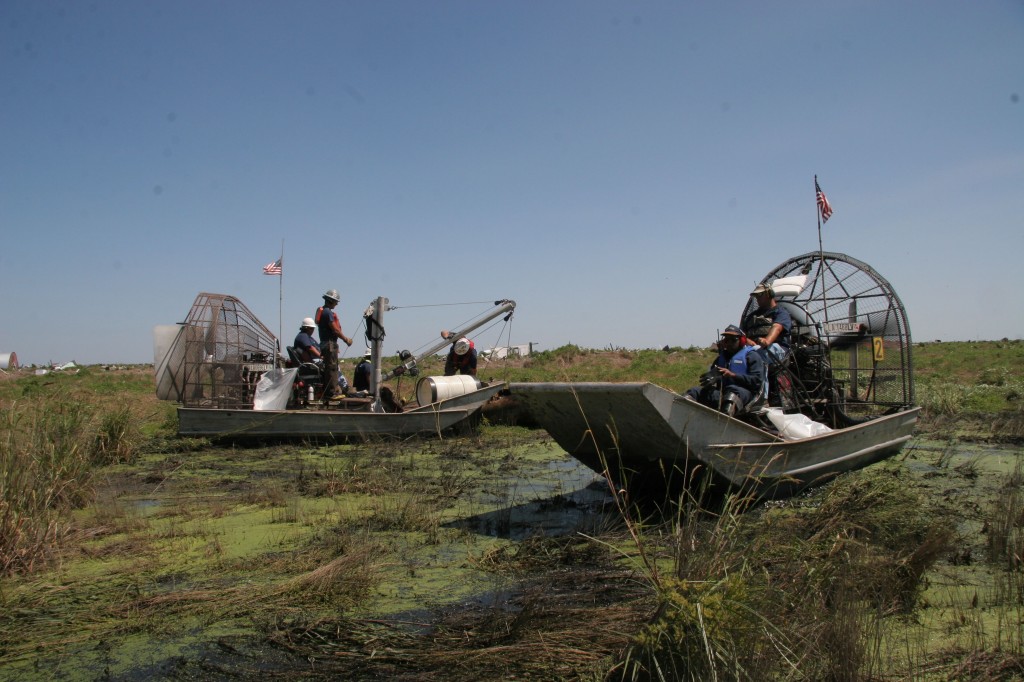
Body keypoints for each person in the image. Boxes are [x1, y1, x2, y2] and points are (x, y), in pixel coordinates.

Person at [685, 325, 766, 416]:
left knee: (732, 394)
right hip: (722, 394)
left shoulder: (752, 356)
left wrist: (733, 375)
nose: (729, 343)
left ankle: (724, 422)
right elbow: (713, 375)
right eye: (727, 340)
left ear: (741, 341)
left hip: (745, 395)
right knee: (694, 391)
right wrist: (711, 378)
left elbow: (757, 381)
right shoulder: (720, 359)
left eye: (733, 340)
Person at [315, 288, 353, 400]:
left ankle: (332, 391)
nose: (336, 304)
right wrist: (346, 339)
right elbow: (335, 330)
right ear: (331, 301)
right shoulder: (327, 313)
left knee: (332, 368)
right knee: (332, 369)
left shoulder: (324, 311)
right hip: (329, 344)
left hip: (326, 343)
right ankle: (331, 393)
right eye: (336, 302)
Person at [742, 283, 793, 365]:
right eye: (756, 296)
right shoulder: (752, 316)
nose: (757, 298)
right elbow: (742, 334)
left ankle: (760, 377)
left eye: (760, 295)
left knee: (755, 358)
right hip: (754, 349)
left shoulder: (780, 312)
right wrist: (749, 341)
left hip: (775, 350)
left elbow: (777, 327)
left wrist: (767, 340)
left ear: (769, 294)